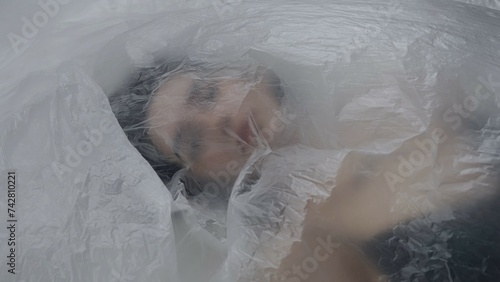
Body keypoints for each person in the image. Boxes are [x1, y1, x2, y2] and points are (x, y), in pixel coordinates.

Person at [109, 59, 287, 194]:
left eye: (209, 94)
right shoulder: (292, 231)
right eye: (194, 143)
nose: (216, 122)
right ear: (194, 181)